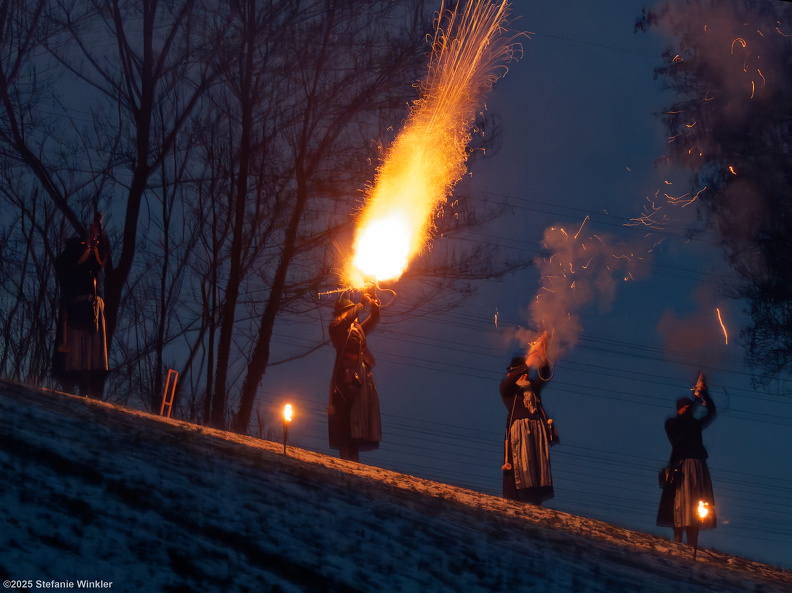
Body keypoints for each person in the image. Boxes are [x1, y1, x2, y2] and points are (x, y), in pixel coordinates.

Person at [52, 213, 110, 400]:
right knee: (73, 351)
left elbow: (101, 260)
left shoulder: (92, 257)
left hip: (92, 305)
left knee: (90, 353)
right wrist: (87, 248)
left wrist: (98, 236)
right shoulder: (68, 256)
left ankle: (85, 387)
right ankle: (68, 387)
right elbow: (70, 267)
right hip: (75, 306)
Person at [656, 373, 717, 547]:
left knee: (696, 507)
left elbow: (711, 411)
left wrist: (704, 393)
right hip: (681, 467)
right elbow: (686, 419)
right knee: (679, 507)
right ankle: (677, 543)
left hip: (697, 467)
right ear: (680, 409)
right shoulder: (672, 424)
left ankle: (692, 545)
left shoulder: (693, 422)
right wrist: (696, 396)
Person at [499, 331, 557, 504]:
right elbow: (515, 377)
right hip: (519, 430)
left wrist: (544, 351)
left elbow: (544, 375)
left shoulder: (533, 388)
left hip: (537, 429)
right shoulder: (507, 388)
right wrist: (527, 363)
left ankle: (535, 499)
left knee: (537, 466)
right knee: (521, 465)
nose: (523, 375)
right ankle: (518, 498)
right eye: (517, 372)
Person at [327, 286, 382, 461]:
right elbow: (346, 320)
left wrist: (374, 303)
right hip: (345, 377)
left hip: (361, 377)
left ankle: (354, 461)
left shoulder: (356, 329)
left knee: (359, 421)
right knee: (345, 420)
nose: (356, 314)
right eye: (351, 311)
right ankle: (346, 460)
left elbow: (374, 319)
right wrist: (361, 304)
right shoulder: (337, 327)